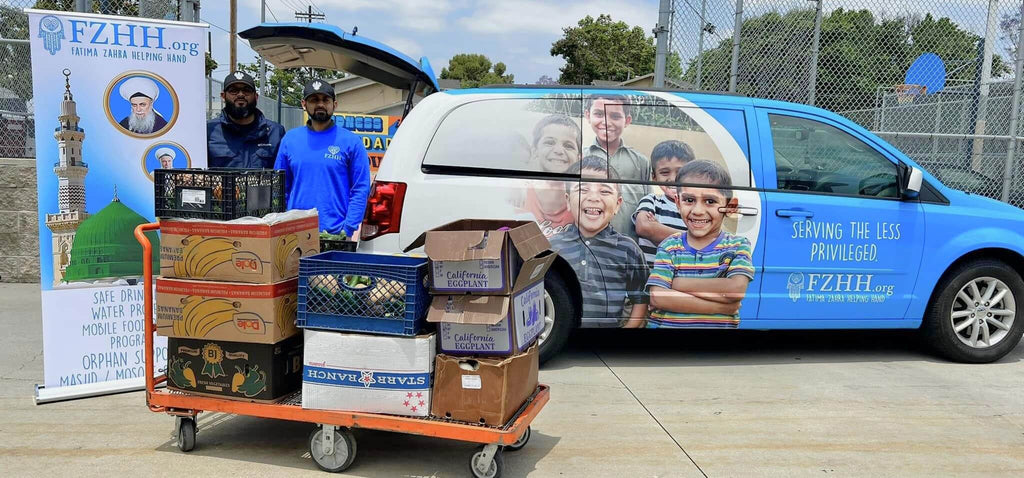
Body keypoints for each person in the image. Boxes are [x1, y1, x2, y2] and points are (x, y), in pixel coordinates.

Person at [643, 160, 755, 329]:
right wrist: (721, 306)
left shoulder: (738, 246)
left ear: (730, 207)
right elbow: (658, 297)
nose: (697, 211)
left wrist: (677, 283)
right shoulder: (669, 247)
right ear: (678, 202)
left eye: (710, 201)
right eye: (689, 200)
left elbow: (735, 290)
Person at [548, 156, 648, 327]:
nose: (593, 198)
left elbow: (641, 296)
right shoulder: (552, 246)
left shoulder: (628, 249)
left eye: (605, 191)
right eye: (583, 189)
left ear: (617, 204)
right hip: (564, 343)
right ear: (567, 201)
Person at [274, 79, 371, 237]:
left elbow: (360, 188)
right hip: (295, 232)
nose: (320, 104)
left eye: (325, 100)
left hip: (335, 234)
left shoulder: (351, 141)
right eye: (314, 100)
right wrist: (285, 222)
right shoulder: (290, 140)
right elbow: (280, 187)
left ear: (335, 104)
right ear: (304, 104)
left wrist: (347, 228)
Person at [584, 94, 650, 241]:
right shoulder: (581, 157)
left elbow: (647, 208)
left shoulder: (641, 162)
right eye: (599, 114)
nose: (606, 122)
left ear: (627, 120)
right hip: (588, 243)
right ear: (588, 116)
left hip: (628, 247)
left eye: (615, 116)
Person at [633, 140, 695, 266]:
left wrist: (658, 230)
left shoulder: (697, 206)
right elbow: (644, 227)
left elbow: (709, 239)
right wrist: (693, 239)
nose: (672, 179)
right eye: (665, 173)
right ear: (654, 177)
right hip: (652, 275)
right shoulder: (652, 201)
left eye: (680, 172)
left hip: (686, 274)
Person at [519, 114, 581, 237]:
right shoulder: (519, 193)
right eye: (549, 142)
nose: (558, 150)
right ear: (535, 150)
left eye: (568, 146)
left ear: (579, 157)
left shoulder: (583, 199)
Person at [207, 71, 285, 168]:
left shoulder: (275, 132)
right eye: (233, 90)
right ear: (223, 96)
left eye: (246, 90)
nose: (240, 95)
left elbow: (284, 173)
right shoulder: (209, 131)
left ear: (256, 96)